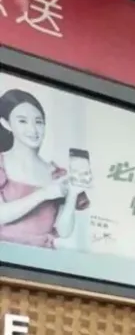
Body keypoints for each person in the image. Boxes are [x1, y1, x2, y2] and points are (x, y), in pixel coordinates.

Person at [0, 89, 88, 247]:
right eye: (22, 121)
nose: (33, 129)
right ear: (6, 123)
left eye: (39, 122)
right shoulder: (2, 163)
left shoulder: (57, 174)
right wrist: (44, 194)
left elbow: (64, 231)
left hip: (42, 257)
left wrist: (72, 195)